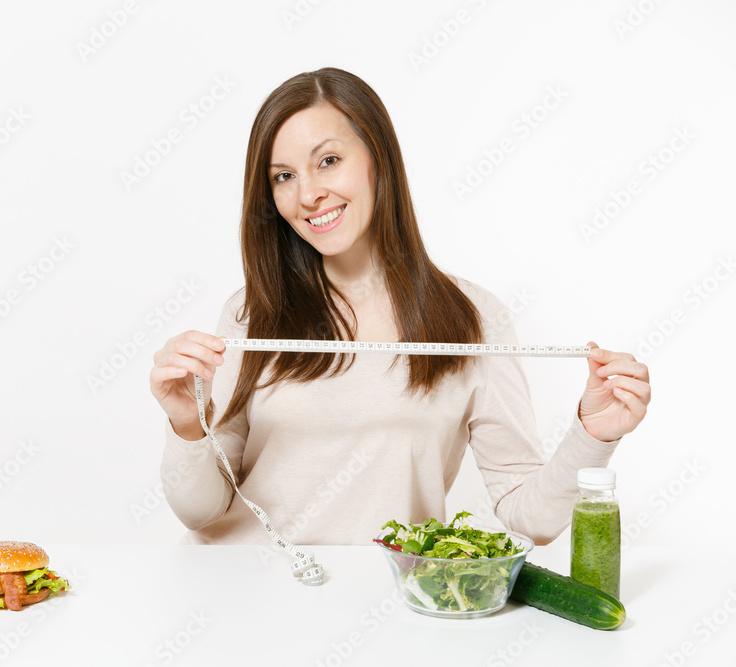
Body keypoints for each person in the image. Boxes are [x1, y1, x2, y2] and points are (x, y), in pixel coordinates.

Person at [149, 67, 650, 547]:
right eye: (282, 176)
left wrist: (592, 436)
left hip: (387, 605)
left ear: (377, 158)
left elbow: (528, 517)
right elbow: (201, 511)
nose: (307, 194)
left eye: (328, 161)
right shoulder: (251, 314)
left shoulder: (473, 317)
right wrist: (186, 425)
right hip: (245, 591)